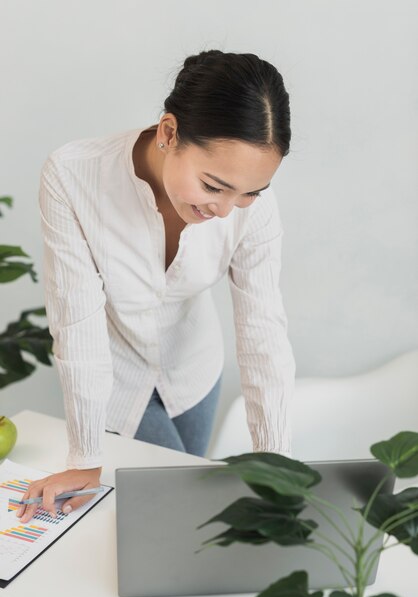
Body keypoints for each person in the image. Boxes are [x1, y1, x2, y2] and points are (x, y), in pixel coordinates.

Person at [17, 50, 296, 523]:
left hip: (194, 372)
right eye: (213, 185)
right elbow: (76, 321)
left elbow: (263, 333)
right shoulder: (72, 175)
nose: (227, 210)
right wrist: (84, 459)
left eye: (249, 192)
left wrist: (278, 469)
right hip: (113, 374)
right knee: (173, 512)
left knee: (188, 516)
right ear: (169, 133)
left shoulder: (252, 211)